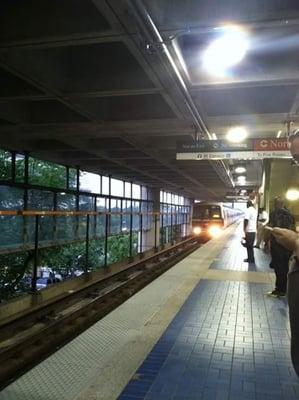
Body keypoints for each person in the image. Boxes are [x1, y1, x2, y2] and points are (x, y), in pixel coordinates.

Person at [267, 197, 295, 297]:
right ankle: (283, 288)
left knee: (279, 268)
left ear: (276, 204)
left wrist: (267, 241)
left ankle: (280, 289)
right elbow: (293, 230)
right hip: (287, 246)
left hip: (278, 245)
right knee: (285, 267)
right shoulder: (290, 215)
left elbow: (271, 228)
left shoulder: (274, 213)